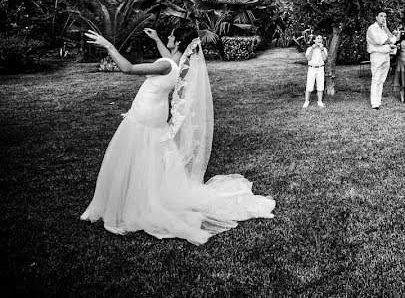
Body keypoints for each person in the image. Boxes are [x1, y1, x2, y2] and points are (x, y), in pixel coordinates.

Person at [81, 27, 275, 244]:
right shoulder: (178, 65)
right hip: (155, 116)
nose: (168, 37)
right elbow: (168, 58)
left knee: (130, 155)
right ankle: (143, 194)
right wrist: (156, 40)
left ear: (179, 43)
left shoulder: (166, 65)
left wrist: (108, 45)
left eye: (171, 36)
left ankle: (133, 203)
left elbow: (128, 68)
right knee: (148, 157)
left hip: (143, 116)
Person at [366, 11, 398, 110]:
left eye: (385, 16)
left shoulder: (384, 29)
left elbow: (394, 40)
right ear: (376, 17)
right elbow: (378, 41)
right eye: (381, 16)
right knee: (376, 79)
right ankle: (374, 102)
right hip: (376, 55)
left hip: (386, 55)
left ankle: (378, 100)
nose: (383, 18)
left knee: (382, 79)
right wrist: (388, 40)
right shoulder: (372, 28)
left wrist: (387, 31)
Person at [303, 35, 327, 109]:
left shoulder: (324, 49)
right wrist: (312, 49)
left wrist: (322, 49)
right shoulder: (309, 48)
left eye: (321, 38)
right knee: (309, 84)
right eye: (318, 38)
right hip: (312, 68)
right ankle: (306, 101)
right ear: (314, 40)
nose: (319, 40)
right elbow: (308, 58)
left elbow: (325, 58)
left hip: (320, 68)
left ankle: (319, 101)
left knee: (320, 85)